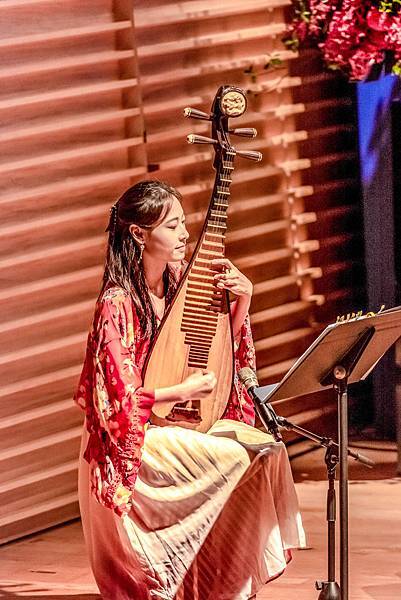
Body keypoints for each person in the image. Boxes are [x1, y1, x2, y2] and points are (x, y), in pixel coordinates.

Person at [74, 180, 305, 600]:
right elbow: (115, 401)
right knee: (238, 455)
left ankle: (224, 580)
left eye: (185, 223)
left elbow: (219, 356)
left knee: (269, 453)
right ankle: (173, 574)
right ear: (139, 235)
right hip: (134, 439)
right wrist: (181, 390)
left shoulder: (182, 283)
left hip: (175, 423)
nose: (185, 235)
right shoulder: (117, 302)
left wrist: (244, 302)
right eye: (173, 225)